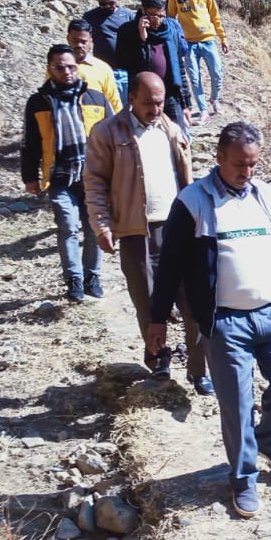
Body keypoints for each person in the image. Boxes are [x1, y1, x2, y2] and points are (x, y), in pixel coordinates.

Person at [146, 122, 271, 519]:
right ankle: (243, 478)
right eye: (238, 164)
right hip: (225, 322)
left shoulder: (267, 196)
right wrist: (158, 319)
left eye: (252, 164)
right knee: (236, 403)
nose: (246, 173)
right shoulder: (194, 201)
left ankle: (268, 441)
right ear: (218, 158)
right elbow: (169, 266)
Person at [83, 72, 213, 393]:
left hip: (179, 230)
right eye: (148, 102)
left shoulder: (172, 129)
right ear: (131, 98)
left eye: (159, 102)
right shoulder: (107, 132)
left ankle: (199, 371)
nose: (156, 108)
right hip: (135, 232)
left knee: (194, 301)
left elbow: (188, 177)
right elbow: (95, 183)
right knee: (149, 303)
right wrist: (101, 224)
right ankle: (159, 362)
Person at [21, 45, 113, 302]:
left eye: (71, 66)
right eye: (59, 67)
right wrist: (30, 175)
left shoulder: (95, 98)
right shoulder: (39, 102)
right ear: (49, 69)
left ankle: (91, 275)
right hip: (60, 176)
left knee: (94, 228)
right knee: (68, 226)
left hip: (93, 176)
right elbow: (30, 141)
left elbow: (113, 138)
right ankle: (73, 279)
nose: (66, 72)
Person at [114, 0, 191, 135]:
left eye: (161, 16)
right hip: (143, 97)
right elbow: (123, 62)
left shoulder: (170, 31)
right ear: (143, 11)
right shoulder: (127, 31)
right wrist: (141, 40)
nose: (158, 20)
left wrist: (186, 104)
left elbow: (179, 68)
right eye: (153, 15)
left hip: (170, 94)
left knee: (178, 137)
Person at [166, 0, 229, 118]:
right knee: (194, 78)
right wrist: (173, 42)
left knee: (217, 73)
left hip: (208, 40)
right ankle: (202, 109)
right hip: (188, 43)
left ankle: (214, 99)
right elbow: (170, 19)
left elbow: (215, 16)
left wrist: (223, 38)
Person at [46, 19, 120, 113]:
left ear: (91, 42)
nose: (79, 45)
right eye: (75, 40)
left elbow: (114, 103)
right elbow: (47, 98)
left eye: (83, 42)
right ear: (68, 39)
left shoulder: (103, 69)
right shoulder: (57, 67)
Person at [82, 0, 136, 105]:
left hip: (126, 72)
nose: (108, 7)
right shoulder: (90, 17)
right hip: (104, 73)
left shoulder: (128, 16)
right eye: (103, 4)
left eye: (111, 3)